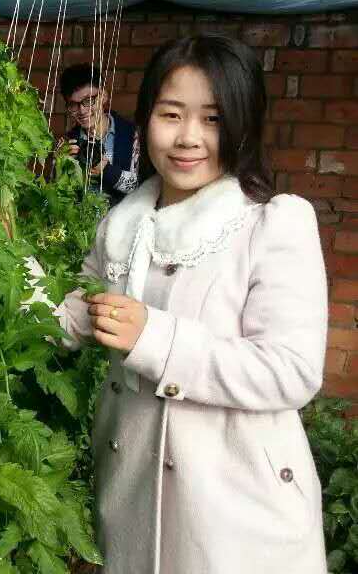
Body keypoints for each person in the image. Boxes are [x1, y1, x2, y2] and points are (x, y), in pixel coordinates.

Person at [51, 35, 328, 573]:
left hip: (237, 513)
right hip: (130, 496)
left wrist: (154, 338)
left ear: (243, 124)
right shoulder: (121, 227)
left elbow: (290, 371)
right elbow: (71, 319)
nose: (188, 138)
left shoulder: (270, 223)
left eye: (213, 119)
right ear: (145, 118)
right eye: (171, 114)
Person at [48, 64, 140, 206]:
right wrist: (61, 167)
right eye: (73, 104)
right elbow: (54, 197)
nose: (82, 110)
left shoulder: (132, 135)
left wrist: (107, 171)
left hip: (122, 219)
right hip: (80, 219)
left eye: (88, 101)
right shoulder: (67, 143)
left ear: (103, 96)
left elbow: (142, 189)